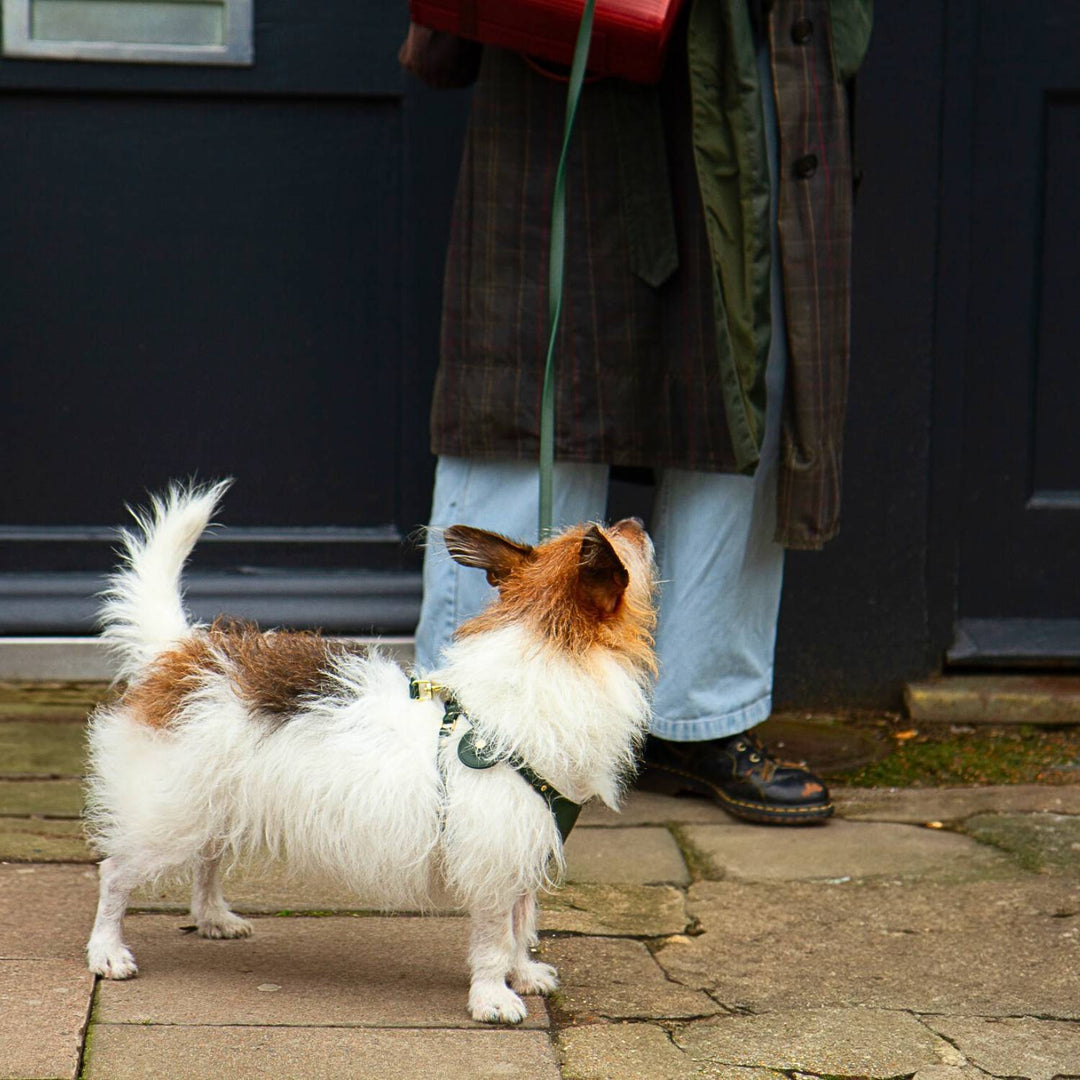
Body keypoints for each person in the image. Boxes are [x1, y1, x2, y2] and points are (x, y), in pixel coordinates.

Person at [401, 0, 872, 825]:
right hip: (571, 58)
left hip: (755, 53)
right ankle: (461, 718)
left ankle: (698, 716)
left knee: (740, 376)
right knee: (525, 376)